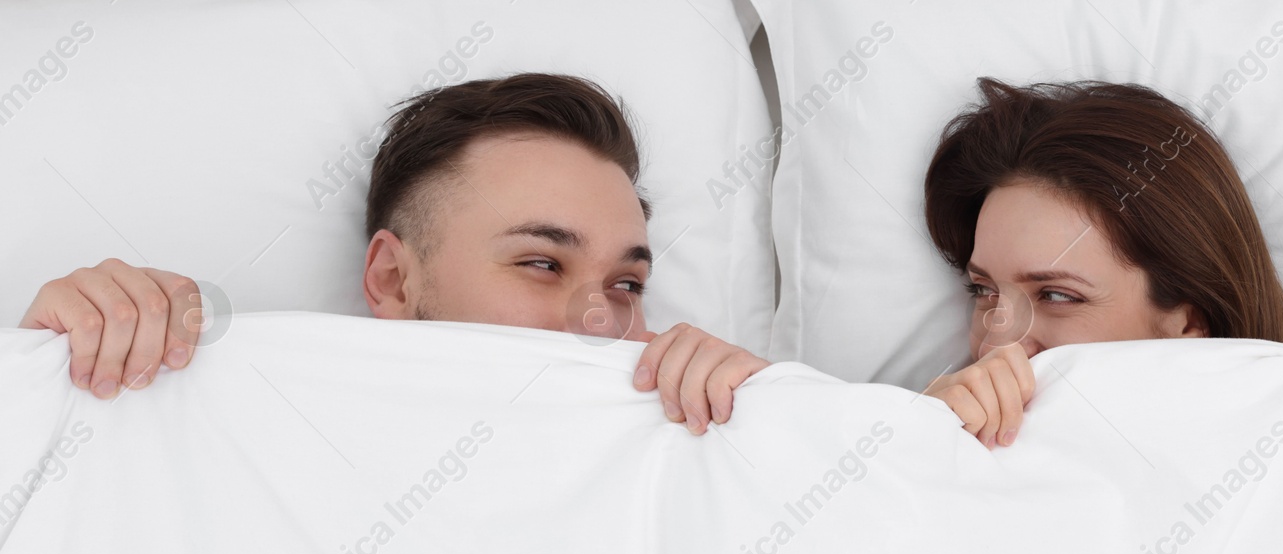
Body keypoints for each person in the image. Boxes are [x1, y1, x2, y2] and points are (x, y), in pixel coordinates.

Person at [17, 73, 767, 436]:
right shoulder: (237, 421)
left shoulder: (687, 449)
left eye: (629, 281)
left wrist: (769, 429)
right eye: (542, 263)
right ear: (392, 278)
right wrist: (43, 383)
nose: (605, 318)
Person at [922, 79, 1283, 448]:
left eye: (1058, 295)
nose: (995, 341)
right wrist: (916, 437)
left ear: (1188, 322)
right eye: (983, 292)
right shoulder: (932, 436)